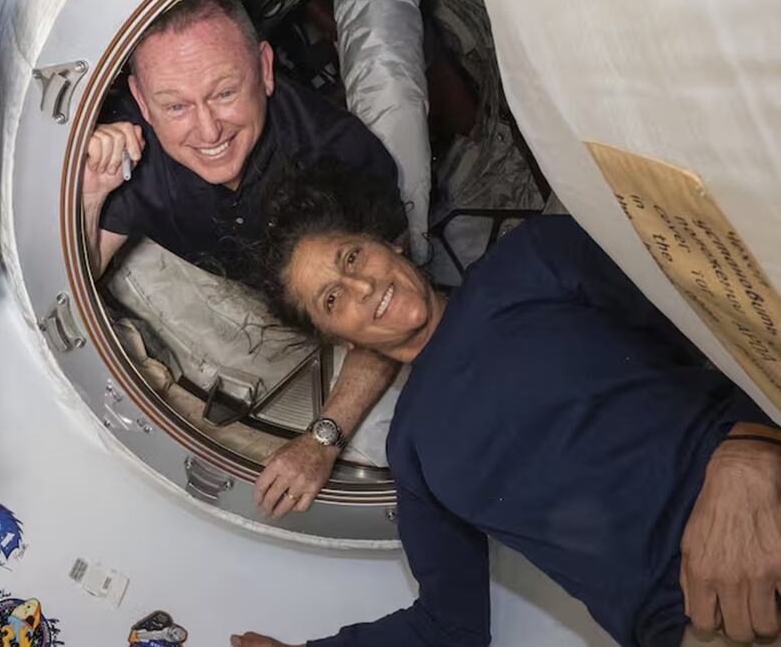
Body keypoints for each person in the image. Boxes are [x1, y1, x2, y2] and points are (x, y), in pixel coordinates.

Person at [231, 167, 781, 646]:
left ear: (389, 242)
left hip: (759, 499)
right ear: (338, 340)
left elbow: (726, 321)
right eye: (332, 298)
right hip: (700, 625)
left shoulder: (532, 259)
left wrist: (750, 448)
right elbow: (450, 629)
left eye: (352, 256)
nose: (360, 284)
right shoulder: (413, 449)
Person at [81, 0, 409, 516]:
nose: (208, 130)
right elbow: (80, 276)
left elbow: (395, 309)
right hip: (247, 289)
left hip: (337, 295)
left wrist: (322, 439)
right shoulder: (133, 152)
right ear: (142, 101)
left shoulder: (339, 156)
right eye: (175, 105)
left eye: (225, 93)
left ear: (264, 68)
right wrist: (93, 192)